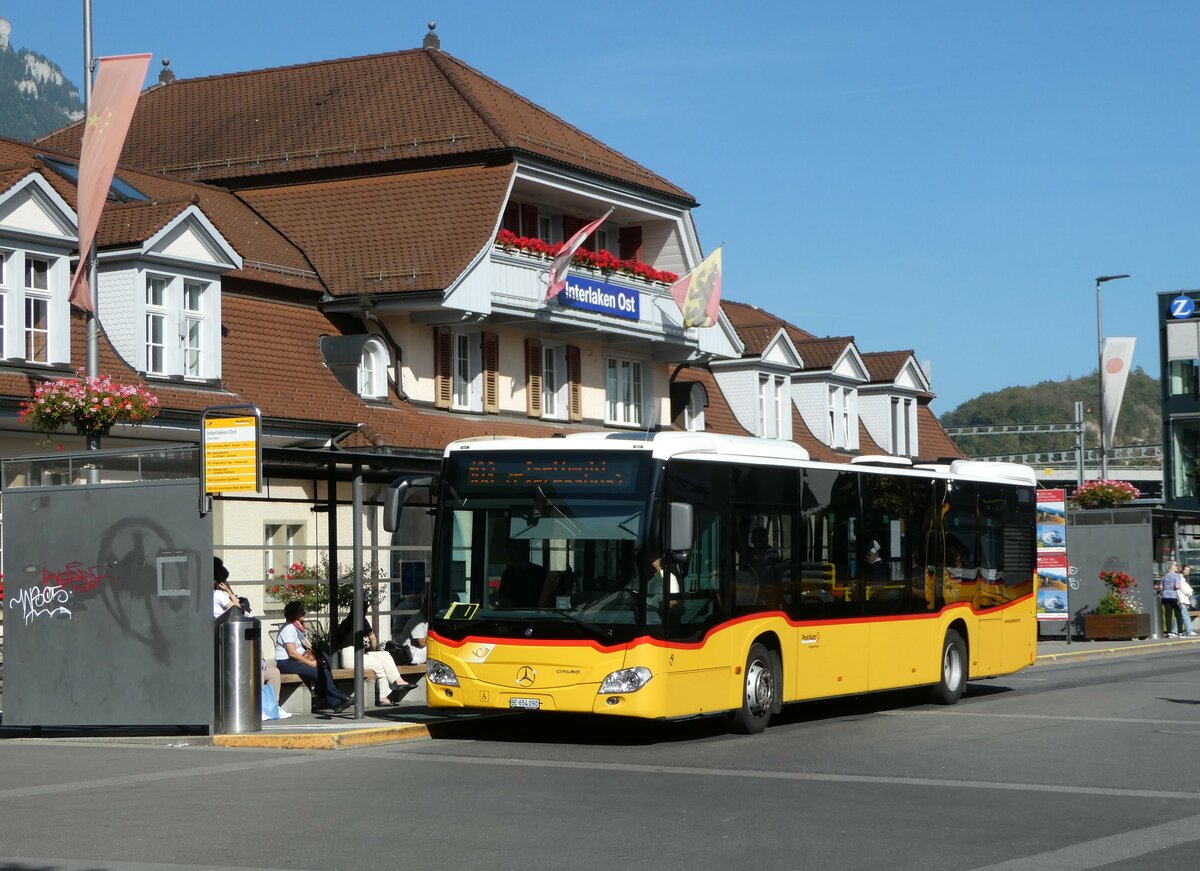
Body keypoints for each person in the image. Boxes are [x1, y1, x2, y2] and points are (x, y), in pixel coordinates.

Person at [212, 558, 290, 719]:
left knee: (273, 672)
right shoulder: (218, 595)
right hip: (230, 643)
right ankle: (256, 708)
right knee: (257, 671)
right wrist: (230, 592)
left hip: (227, 642)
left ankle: (273, 706)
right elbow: (237, 610)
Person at [275, 601, 354, 713]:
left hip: (296, 659)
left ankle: (335, 703)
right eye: (301, 610)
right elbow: (292, 653)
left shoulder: (296, 628)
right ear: (294, 613)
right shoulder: (288, 628)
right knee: (317, 672)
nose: (304, 612)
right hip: (286, 662)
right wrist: (310, 663)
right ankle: (342, 697)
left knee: (324, 666)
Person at [333, 614, 409, 706]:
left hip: (348, 655)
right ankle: (383, 697)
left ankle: (399, 681)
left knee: (384, 655)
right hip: (353, 657)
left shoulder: (345, 622)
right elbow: (373, 639)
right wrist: (373, 649)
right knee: (378, 664)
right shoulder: (361, 620)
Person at [495, 539, 549, 608]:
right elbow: (503, 597)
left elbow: (535, 603)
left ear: (519, 553)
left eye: (510, 554)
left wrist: (505, 601)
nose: (507, 557)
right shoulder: (507, 574)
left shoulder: (538, 573)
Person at [1158, 562, 1184, 637]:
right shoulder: (1177, 576)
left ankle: (1169, 632)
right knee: (1178, 614)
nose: (1176, 567)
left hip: (1165, 596)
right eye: (1175, 566)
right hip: (1174, 596)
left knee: (1168, 614)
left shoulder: (1164, 576)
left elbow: (1160, 587)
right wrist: (1180, 587)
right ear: (1171, 567)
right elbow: (1177, 586)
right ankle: (1180, 632)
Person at [1179, 565, 1197, 637]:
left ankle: (1174, 631)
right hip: (1181, 599)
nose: (1187, 571)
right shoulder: (1180, 578)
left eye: (1188, 570)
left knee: (1181, 616)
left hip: (1183, 599)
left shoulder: (1183, 578)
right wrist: (1190, 592)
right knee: (1185, 615)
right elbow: (1185, 590)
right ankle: (1189, 630)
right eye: (1186, 570)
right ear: (1182, 570)